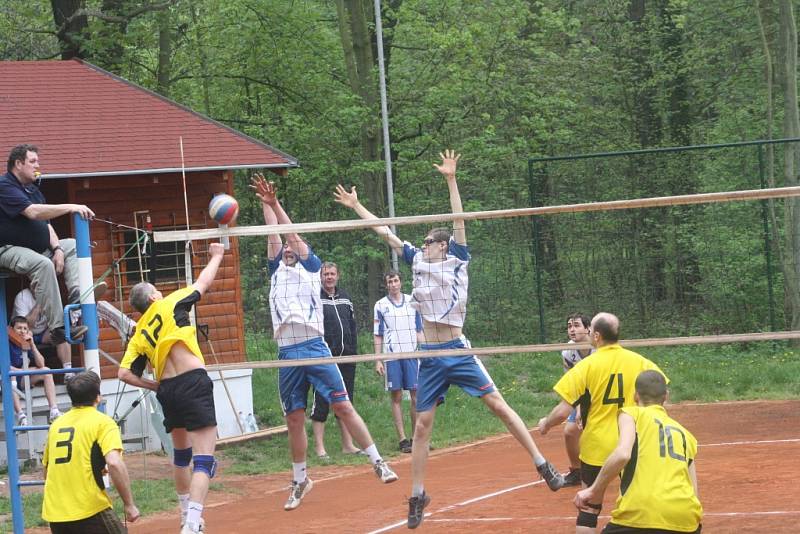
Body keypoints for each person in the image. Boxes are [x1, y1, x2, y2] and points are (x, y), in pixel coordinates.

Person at [334, 150, 564, 530]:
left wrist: (451, 179)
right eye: (423, 241)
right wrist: (358, 206)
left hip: (457, 349)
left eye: (428, 241)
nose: (423, 244)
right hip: (430, 354)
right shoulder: (417, 262)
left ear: (441, 245)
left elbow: (458, 221)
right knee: (422, 426)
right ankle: (418, 493)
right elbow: (386, 233)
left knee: (499, 406)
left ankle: (542, 464)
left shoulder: (457, 259)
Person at [251, 174, 398, 512]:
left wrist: (276, 204)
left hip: (315, 346)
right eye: (284, 249)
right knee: (294, 419)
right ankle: (300, 479)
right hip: (287, 352)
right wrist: (264, 202)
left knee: (343, 406)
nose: (287, 249)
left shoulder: (312, 268)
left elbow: (289, 233)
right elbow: (273, 235)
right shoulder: (276, 270)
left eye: (291, 247)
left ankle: (377, 461)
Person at [117, 243, 226, 534]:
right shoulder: (170, 302)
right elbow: (203, 282)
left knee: (181, 455)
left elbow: (123, 373)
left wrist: (154, 385)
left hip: (168, 390)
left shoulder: (139, 332)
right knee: (204, 459)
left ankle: (183, 515)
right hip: (192, 381)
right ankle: (192, 523)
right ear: (154, 296)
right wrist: (217, 255)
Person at [538, 312, 668, 534]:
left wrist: (545, 424)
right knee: (641, 506)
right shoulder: (641, 362)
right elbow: (663, 397)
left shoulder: (586, 367)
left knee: (588, 509)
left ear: (596, 336)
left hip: (596, 448)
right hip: (634, 444)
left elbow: (562, 412)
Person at [574, 370, 703, 533]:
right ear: (666, 396)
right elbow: (694, 493)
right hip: (686, 520)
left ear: (636, 396)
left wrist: (593, 490)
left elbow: (623, 454)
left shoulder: (631, 414)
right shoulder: (686, 435)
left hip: (639, 516)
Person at [0, 144, 94, 363]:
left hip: (37, 248)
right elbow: (33, 213)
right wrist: (72, 206)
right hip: (7, 249)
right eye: (33, 161)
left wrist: (58, 249)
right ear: (18, 164)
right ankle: (59, 328)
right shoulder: (5, 186)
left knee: (73, 245)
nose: (38, 166)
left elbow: (47, 225)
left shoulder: (33, 189)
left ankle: (76, 296)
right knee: (42, 264)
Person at [42, 371, 140, 533]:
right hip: (89, 508)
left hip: (56, 513)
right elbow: (114, 463)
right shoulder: (103, 422)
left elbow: (46, 472)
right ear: (98, 397)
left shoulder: (56, 425)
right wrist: (129, 504)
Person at [310, 261, 361, 457]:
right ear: (320, 277)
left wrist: (354, 351)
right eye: (325, 274)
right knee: (321, 400)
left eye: (332, 274)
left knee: (346, 401)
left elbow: (352, 325)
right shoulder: (315, 297)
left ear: (337, 275)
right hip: (324, 356)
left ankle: (348, 445)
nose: (329, 277)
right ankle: (320, 449)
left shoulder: (346, 297)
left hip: (347, 356)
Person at [374, 270, 423, 453]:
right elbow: (377, 334)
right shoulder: (380, 305)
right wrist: (378, 360)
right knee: (396, 397)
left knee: (416, 396)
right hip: (392, 356)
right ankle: (402, 439)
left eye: (396, 281)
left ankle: (416, 437)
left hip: (412, 354)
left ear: (401, 282)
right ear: (386, 285)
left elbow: (419, 330)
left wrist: (426, 353)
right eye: (390, 282)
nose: (393, 284)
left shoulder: (413, 302)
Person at [14, 287, 99, 372]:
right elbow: (26, 325)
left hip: (43, 333)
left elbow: (56, 320)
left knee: (62, 334)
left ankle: (68, 372)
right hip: (24, 332)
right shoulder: (22, 297)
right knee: (27, 333)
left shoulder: (50, 295)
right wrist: (39, 304)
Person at [7, 316, 62, 423]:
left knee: (46, 371)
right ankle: (21, 415)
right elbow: (5, 367)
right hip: (6, 380)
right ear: (12, 330)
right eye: (19, 328)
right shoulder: (5, 342)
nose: (22, 331)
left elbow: (41, 363)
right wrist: (24, 371)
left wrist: (32, 345)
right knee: (11, 374)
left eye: (25, 328)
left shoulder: (27, 342)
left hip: (22, 378)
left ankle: (54, 411)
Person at [560, 313, 594, 486]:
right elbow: (573, 383)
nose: (572, 329)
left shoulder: (599, 347)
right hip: (581, 394)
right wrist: (580, 407)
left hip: (604, 394)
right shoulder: (567, 351)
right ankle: (577, 471)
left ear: (588, 328)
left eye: (576, 325)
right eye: (569, 326)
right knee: (570, 431)